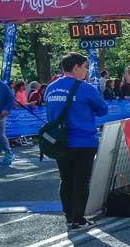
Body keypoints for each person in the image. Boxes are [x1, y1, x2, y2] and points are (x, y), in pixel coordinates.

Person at [44, 54, 108, 229]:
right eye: (85, 67)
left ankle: (68, 215)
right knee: (81, 180)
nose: (86, 71)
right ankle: (78, 218)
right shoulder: (85, 88)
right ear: (76, 68)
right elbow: (102, 110)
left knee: (66, 179)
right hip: (83, 141)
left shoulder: (50, 88)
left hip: (59, 141)